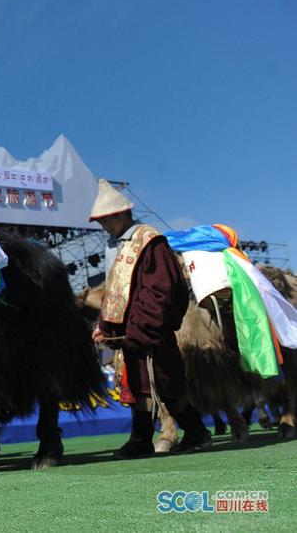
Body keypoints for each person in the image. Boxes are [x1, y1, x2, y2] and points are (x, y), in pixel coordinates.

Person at [89, 179, 211, 458]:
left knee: (166, 386)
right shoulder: (122, 246)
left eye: (105, 220)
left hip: (149, 332)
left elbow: (161, 291)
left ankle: (196, 432)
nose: (102, 227)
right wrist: (105, 327)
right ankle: (141, 439)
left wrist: (142, 329)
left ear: (120, 214)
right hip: (132, 336)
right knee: (139, 388)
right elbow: (118, 294)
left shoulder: (150, 242)